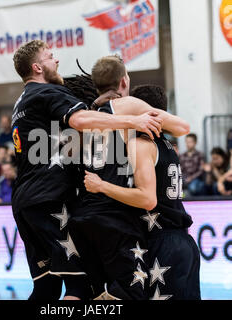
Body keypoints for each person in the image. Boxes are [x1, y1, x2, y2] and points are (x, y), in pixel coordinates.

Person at [11, 40, 165, 301]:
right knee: (78, 286)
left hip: (24, 203)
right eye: (50, 57)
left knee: (46, 287)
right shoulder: (48, 92)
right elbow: (81, 120)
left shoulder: (21, 103)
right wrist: (133, 119)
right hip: (51, 202)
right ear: (37, 67)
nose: (57, 60)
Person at [64, 56, 190, 299]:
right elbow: (182, 127)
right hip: (113, 219)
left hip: (81, 218)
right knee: (132, 295)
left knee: (86, 294)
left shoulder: (87, 115)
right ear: (124, 80)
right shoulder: (127, 105)